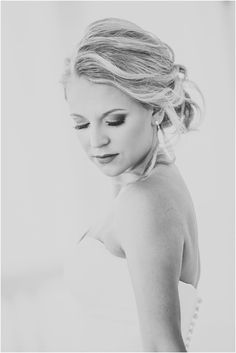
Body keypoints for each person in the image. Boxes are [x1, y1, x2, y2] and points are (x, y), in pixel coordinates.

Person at [61, 17, 204, 352]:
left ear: (153, 109)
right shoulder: (148, 181)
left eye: (114, 120)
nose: (96, 141)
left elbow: (162, 345)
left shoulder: (145, 200)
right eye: (81, 124)